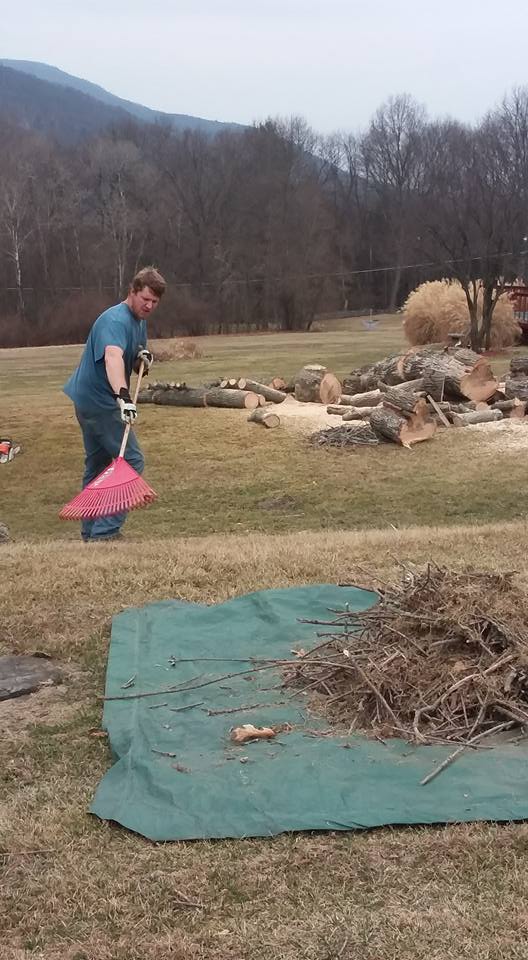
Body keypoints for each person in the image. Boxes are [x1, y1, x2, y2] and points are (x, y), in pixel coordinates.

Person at [64, 266, 166, 542]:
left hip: (86, 399)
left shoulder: (138, 321)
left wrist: (141, 360)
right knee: (132, 460)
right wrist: (123, 397)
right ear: (132, 292)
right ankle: (106, 532)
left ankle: (90, 533)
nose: (149, 306)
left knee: (97, 466)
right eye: (145, 299)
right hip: (99, 402)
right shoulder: (115, 320)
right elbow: (112, 357)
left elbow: (128, 359)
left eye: (155, 302)